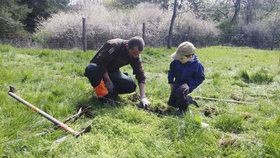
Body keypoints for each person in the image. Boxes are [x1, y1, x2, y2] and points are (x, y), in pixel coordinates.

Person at [84, 36, 150, 108]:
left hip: (112, 71)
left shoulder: (135, 55)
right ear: (127, 46)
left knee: (131, 86)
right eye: (133, 53)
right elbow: (101, 63)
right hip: (98, 68)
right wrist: (107, 80)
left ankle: (112, 93)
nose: (135, 56)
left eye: (137, 54)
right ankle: (103, 96)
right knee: (91, 69)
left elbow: (141, 75)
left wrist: (143, 97)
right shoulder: (113, 45)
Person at [167, 41, 205, 116]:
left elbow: (200, 78)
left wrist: (190, 85)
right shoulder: (176, 62)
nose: (179, 60)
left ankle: (184, 110)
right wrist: (171, 81)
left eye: (181, 58)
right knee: (172, 104)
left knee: (181, 91)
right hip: (178, 82)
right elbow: (171, 71)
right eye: (178, 58)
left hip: (188, 84)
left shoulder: (197, 65)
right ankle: (189, 100)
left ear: (190, 56)